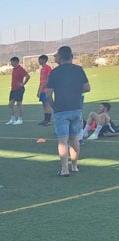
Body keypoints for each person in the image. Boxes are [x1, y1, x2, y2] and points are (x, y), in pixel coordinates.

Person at [45, 45, 90, 176]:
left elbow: (48, 94)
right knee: (75, 138)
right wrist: (75, 91)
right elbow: (87, 88)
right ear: (71, 56)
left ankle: (64, 169)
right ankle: (74, 166)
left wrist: (54, 106)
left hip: (61, 109)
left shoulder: (54, 72)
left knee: (62, 140)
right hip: (76, 108)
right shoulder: (78, 69)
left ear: (60, 57)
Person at [5, 57, 30, 125]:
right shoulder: (14, 69)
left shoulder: (20, 69)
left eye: (12, 62)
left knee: (19, 104)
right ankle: (12, 119)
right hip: (13, 89)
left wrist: (23, 83)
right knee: (10, 104)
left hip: (19, 89)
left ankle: (20, 119)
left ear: (16, 62)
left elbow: (28, 76)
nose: (11, 63)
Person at [37, 55, 53, 126]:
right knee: (44, 105)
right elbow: (41, 81)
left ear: (44, 60)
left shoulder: (48, 68)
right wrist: (39, 90)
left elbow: (48, 78)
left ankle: (49, 120)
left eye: (40, 59)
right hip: (42, 89)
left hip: (46, 89)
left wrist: (43, 87)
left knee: (47, 105)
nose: (39, 61)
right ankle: (45, 119)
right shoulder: (42, 69)